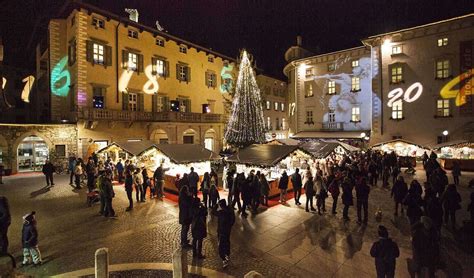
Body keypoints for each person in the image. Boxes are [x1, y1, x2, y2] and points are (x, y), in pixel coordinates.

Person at [215, 199, 235, 268]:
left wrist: (216, 205)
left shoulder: (221, 212)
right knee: (227, 242)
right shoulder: (230, 210)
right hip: (227, 231)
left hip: (221, 231)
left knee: (220, 246)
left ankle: (224, 259)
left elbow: (213, 212)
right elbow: (233, 220)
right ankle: (227, 254)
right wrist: (229, 227)